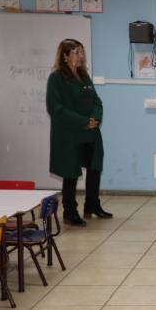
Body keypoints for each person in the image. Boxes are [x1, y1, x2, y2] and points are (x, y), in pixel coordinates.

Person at [46, 39, 111, 226]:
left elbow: (97, 102)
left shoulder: (84, 76)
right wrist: (84, 122)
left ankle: (92, 205)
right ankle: (70, 211)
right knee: (71, 172)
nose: (81, 56)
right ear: (65, 56)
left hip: (91, 133)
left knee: (94, 168)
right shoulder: (56, 78)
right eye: (77, 52)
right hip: (70, 134)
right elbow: (55, 109)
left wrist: (95, 119)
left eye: (82, 52)